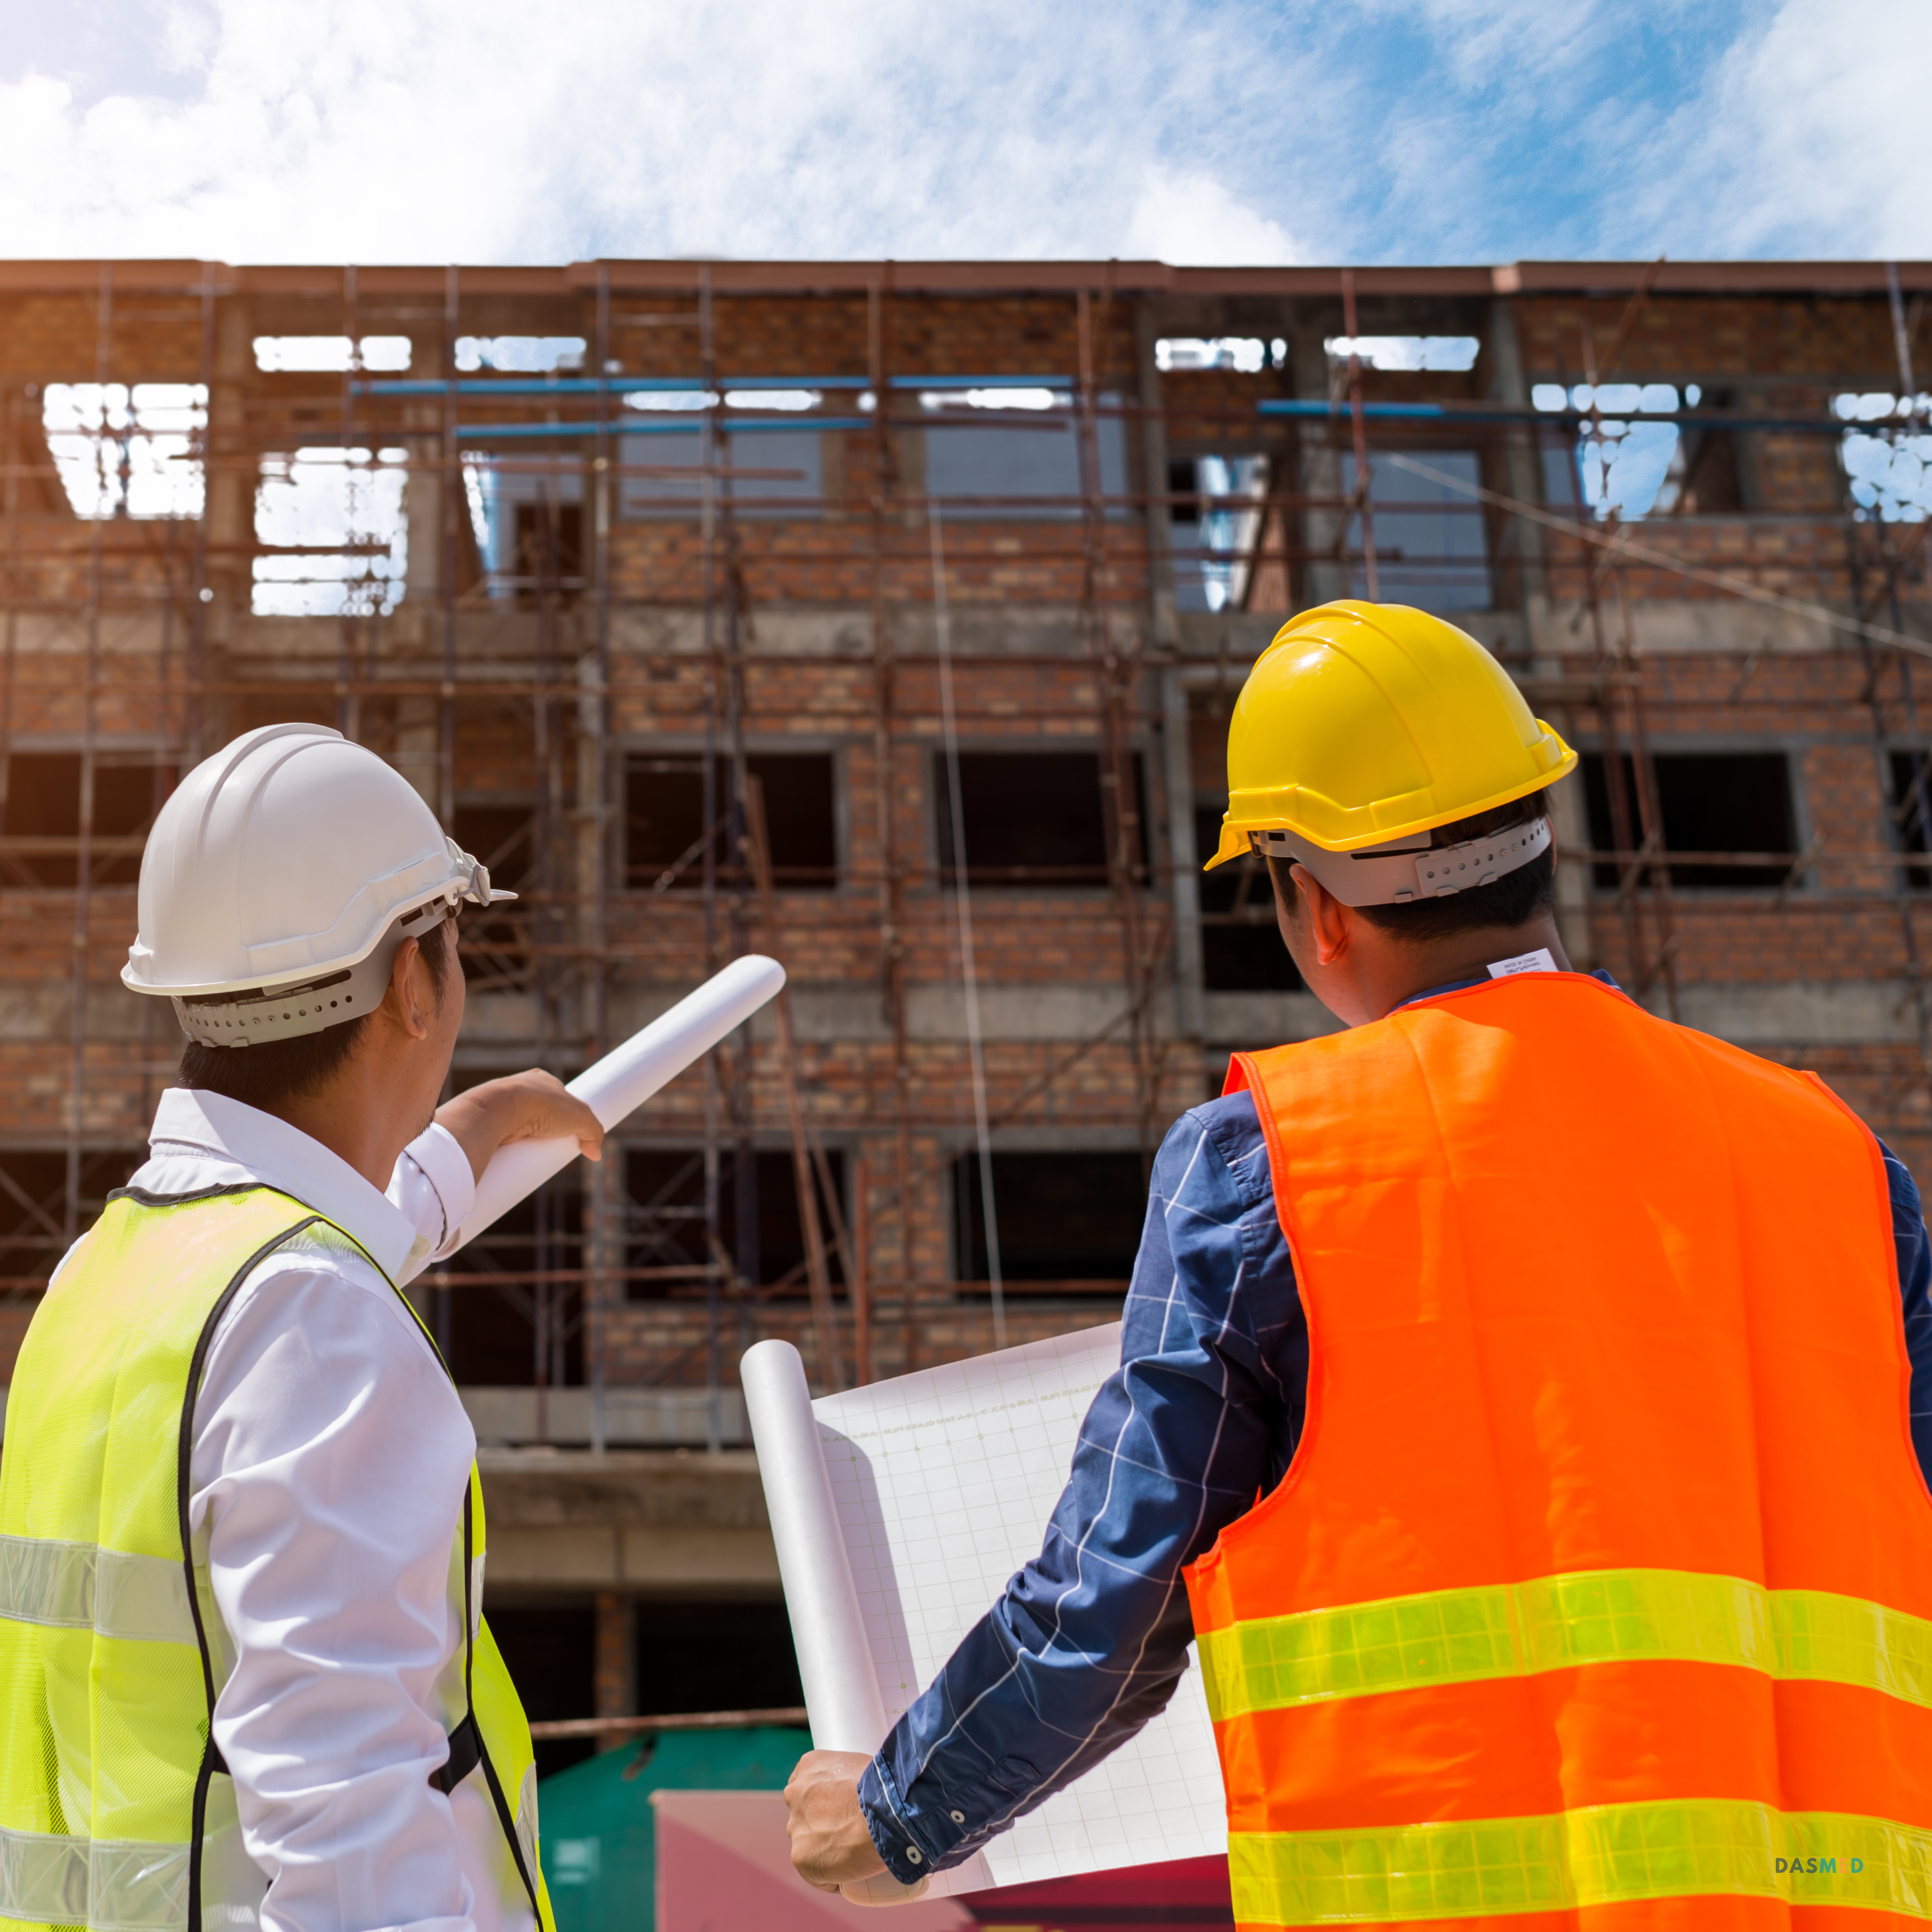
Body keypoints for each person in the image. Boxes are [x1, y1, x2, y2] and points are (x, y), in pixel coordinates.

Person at [784, 601, 1932, 1922]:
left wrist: (896, 1815)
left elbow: (1112, 1600)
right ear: (1536, 846)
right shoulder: (1837, 1160)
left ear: (1316, 906)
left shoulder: (1270, 1164)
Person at [0, 723, 606, 1932]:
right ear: (411, 985)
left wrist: (469, 1134)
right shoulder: (313, 1321)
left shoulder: (106, 1272)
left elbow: (317, 1249)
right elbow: (352, 1858)